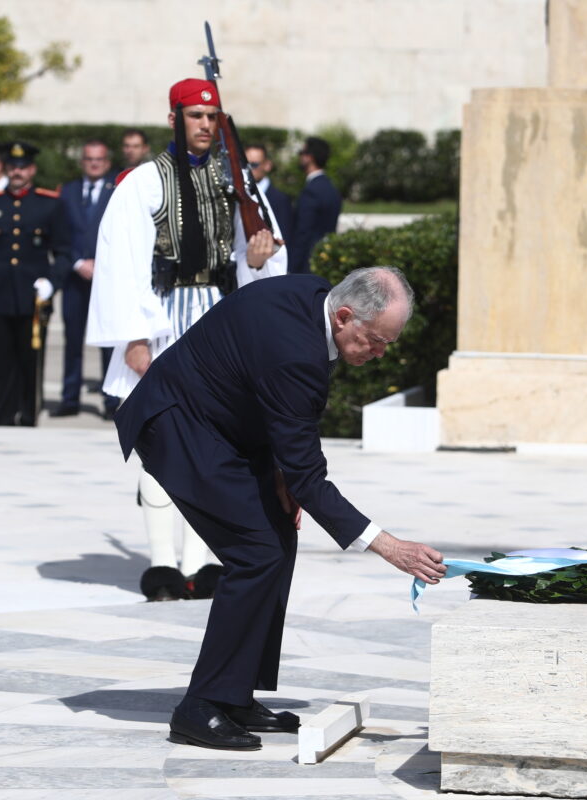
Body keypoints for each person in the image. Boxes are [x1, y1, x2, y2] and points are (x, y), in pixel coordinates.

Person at [115, 267, 446, 751]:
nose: (379, 354)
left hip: (221, 425)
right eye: (375, 341)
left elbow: (277, 415)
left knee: (276, 538)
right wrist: (389, 547)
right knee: (256, 550)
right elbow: (309, 475)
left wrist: (279, 475)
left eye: (387, 345)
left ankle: (234, 694)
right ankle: (201, 705)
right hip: (178, 425)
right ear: (344, 316)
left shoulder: (314, 299)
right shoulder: (295, 352)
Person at [87, 78, 287, 603]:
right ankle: (161, 566)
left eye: (212, 115)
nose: (204, 124)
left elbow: (259, 260)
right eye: (195, 115)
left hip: (217, 322)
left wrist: (257, 261)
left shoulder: (235, 180)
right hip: (163, 318)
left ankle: (199, 564)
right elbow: (120, 264)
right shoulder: (143, 182)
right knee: (163, 443)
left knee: (214, 448)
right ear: (174, 117)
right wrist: (134, 337)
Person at [0, 141, 71, 426]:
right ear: (6, 169)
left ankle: (28, 413)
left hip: (33, 296)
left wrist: (52, 283)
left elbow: (64, 252)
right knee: (1, 358)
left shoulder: (49, 204)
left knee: (30, 358)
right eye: (13, 167)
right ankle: (3, 412)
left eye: (23, 167)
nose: (18, 172)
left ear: (32, 170)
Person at [54, 141, 117, 419]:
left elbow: (121, 234)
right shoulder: (66, 192)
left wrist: (100, 264)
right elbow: (59, 235)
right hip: (74, 278)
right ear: (82, 162)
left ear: (107, 162)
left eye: (99, 159)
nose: (94, 163)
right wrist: (78, 261)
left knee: (109, 342)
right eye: (89, 159)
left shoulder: (117, 191)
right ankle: (69, 398)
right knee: (73, 341)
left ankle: (111, 401)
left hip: (106, 280)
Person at [288, 136, 342, 274]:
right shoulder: (331, 188)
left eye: (302, 153)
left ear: (309, 157)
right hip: (325, 260)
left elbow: (303, 233)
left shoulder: (311, 191)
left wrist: (291, 267)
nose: (300, 157)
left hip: (307, 264)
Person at [244, 143, 293, 248]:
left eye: (254, 165)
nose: (248, 169)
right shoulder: (239, 195)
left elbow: (284, 240)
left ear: (267, 165)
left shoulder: (280, 200)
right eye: (244, 164)